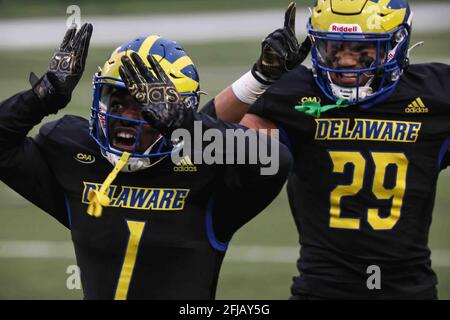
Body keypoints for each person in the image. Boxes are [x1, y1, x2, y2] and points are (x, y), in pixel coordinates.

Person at [0, 24, 292, 299]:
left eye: (145, 107)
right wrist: (42, 96)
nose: (125, 118)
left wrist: (189, 126)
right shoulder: (75, 153)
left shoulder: (202, 168)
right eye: (117, 103)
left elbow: (274, 159)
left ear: (179, 111)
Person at [208, 0, 450, 299]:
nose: (346, 62)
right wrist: (259, 78)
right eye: (335, 48)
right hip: (322, 288)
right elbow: (197, 139)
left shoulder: (436, 95)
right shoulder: (295, 95)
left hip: (410, 290)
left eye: (362, 51)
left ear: (395, 45)